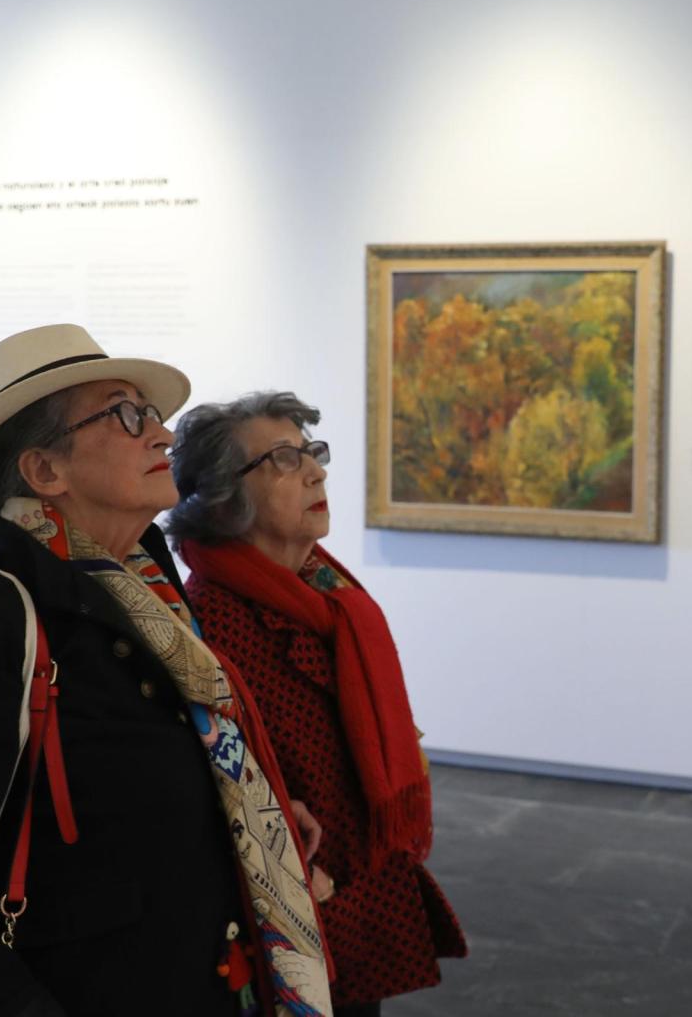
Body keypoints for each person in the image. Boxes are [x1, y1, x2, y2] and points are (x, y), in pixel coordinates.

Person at [0, 325, 335, 1016]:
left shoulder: (147, 589)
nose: (162, 435)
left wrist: (248, 803)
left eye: (152, 414)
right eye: (125, 414)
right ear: (44, 471)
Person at [170, 392, 466, 1017]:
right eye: (283, 459)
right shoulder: (206, 624)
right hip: (284, 913)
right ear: (224, 494)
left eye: (312, 453)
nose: (315, 472)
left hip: (360, 898)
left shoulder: (330, 596)